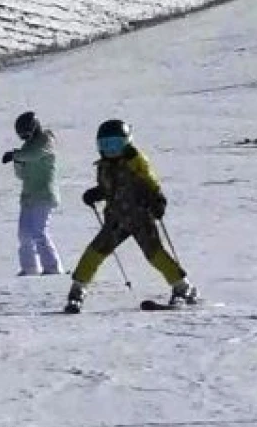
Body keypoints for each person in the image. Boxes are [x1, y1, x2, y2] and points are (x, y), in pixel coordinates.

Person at [65, 119, 197, 312]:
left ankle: (183, 287)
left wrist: (157, 200)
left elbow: (150, 181)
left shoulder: (135, 162)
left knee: (154, 254)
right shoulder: (104, 166)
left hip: (140, 217)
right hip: (116, 219)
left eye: (116, 144)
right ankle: (77, 291)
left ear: (127, 143)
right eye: (105, 145)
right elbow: (110, 189)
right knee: (94, 253)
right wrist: (97, 193)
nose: (111, 150)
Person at [2, 111, 64, 276]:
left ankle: (52, 267)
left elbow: (34, 155)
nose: (25, 137)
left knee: (39, 231)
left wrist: (16, 155)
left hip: (44, 194)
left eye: (26, 133)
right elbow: (21, 175)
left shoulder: (45, 141)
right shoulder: (26, 147)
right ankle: (29, 268)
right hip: (29, 196)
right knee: (24, 234)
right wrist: (17, 162)